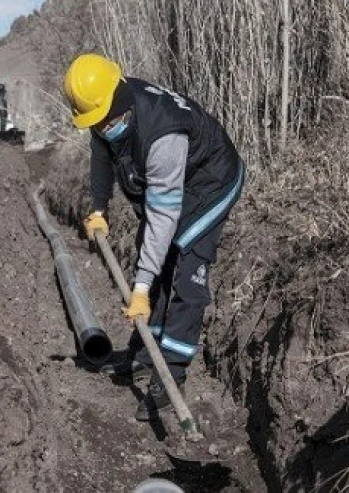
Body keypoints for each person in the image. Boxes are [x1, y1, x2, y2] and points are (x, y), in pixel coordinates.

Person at [62, 52, 244, 421]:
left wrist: (141, 287)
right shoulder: (105, 117)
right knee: (155, 259)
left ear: (119, 96)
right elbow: (101, 159)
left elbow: (162, 216)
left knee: (186, 268)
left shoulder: (163, 135)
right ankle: (145, 354)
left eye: (107, 121)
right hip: (174, 185)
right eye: (97, 124)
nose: (103, 128)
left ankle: (171, 372)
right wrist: (99, 208)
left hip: (210, 181)